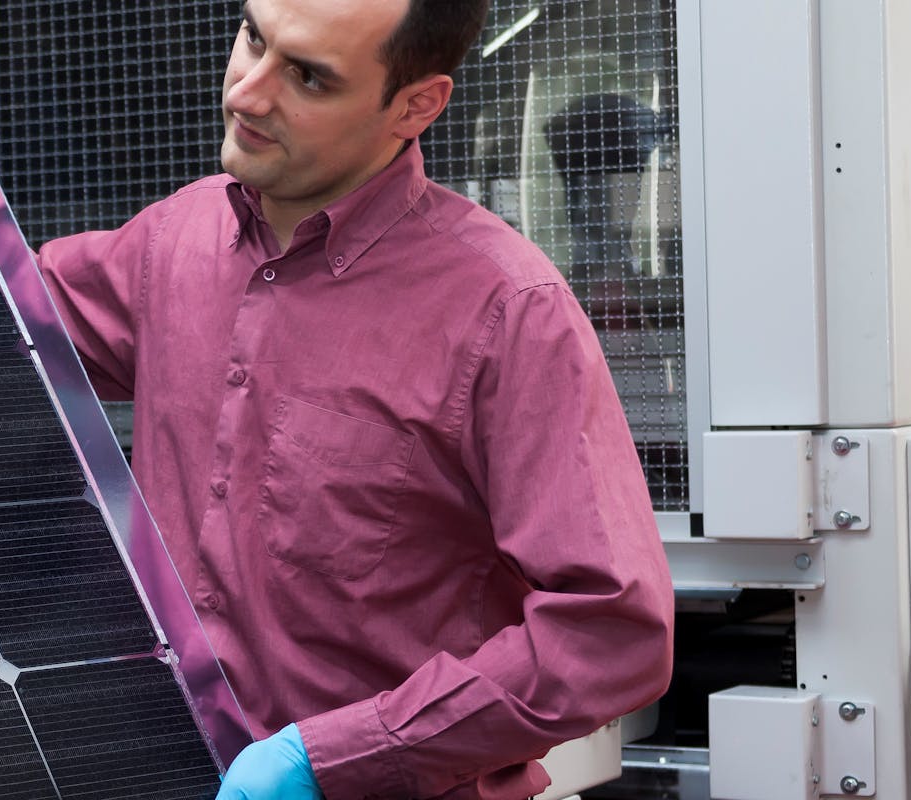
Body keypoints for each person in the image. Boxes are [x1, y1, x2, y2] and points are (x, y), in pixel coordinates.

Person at [34, 0, 676, 797]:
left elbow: (612, 632)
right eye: (254, 38)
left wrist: (335, 756)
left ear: (416, 105)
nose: (247, 92)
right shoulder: (174, 243)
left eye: (307, 76)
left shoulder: (507, 313)